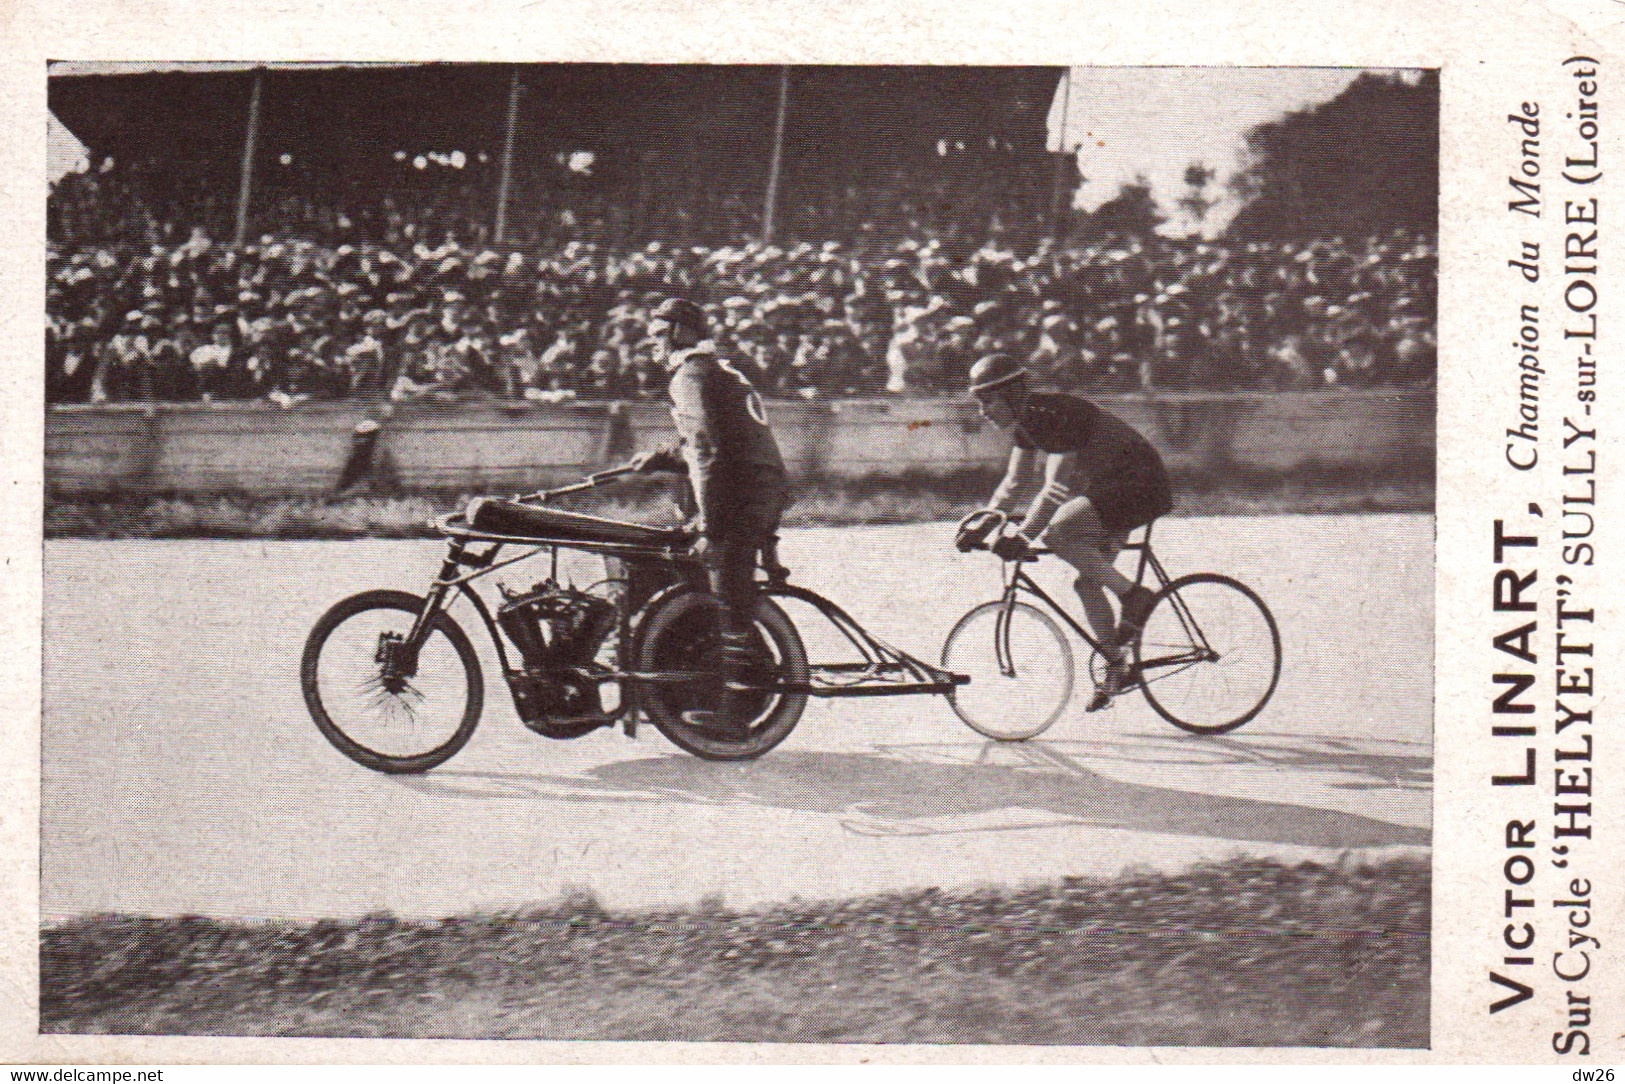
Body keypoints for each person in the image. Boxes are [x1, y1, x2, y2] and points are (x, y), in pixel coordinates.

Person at [959, 353, 1173, 710]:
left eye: (987, 400)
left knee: (1058, 534)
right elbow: (1014, 483)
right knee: (1087, 583)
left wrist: (1023, 535)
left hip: (1140, 484)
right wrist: (985, 521)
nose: (983, 411)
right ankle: (1118, 667)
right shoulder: (1029, 422)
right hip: (1111, 489)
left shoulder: (1057, 416)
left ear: (1011, 395)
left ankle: (1135, 596)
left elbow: (1055, 488)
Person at [629, 297, 791, 738]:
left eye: (659, 336)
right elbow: (716, 439)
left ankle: (736, 709)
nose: (653, 347)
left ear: (680, 333)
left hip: (745, 496)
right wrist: (662, 456)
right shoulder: (716, 370)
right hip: (757, 487)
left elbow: (706, 450)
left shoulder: (689, 375)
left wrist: (710, 525)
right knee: (674, 564)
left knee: (726, 587)